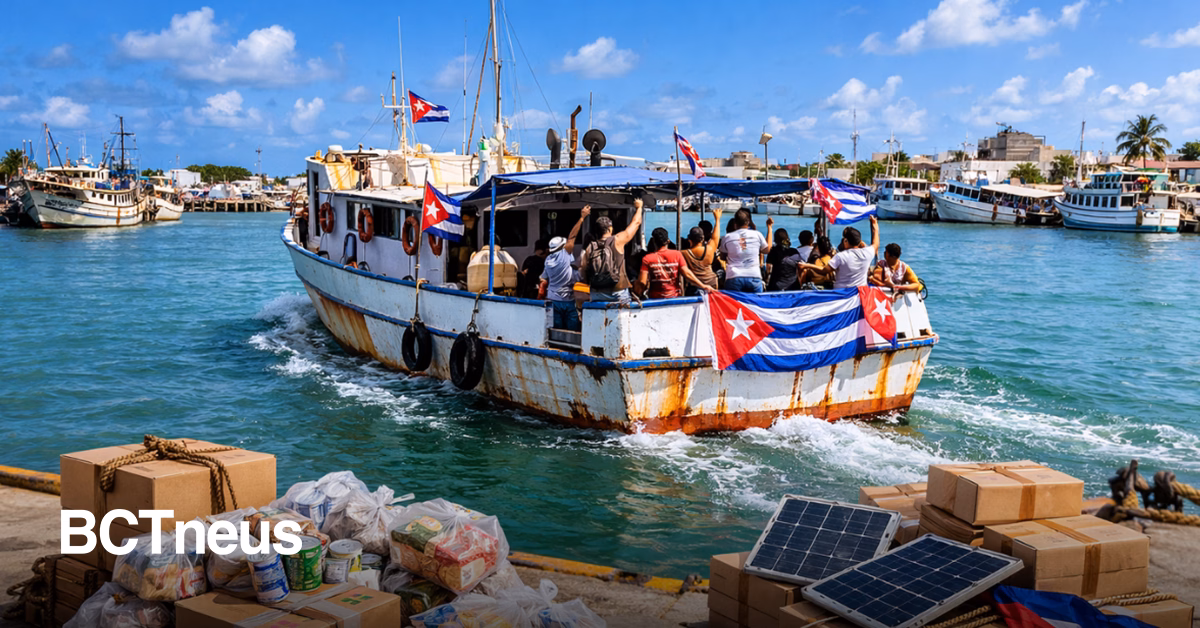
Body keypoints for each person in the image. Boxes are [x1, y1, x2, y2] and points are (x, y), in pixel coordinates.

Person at [581, 197, 644, 303]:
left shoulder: (590, 247)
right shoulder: (617, 240)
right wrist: (639, 208)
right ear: (610, 229)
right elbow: (636, 223)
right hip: (617, 291)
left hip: (596, 292)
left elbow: (583, 269)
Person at [538, 206, 591, 331]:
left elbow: (543, 278)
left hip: (552, 300)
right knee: (572, 330)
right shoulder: (564, 254)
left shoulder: (548, 260)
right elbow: (572, 236)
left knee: (556, 330)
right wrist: (582, 217)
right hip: (567, 300)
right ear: (563, 246)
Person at [798, 215, 878, 289]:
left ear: (846, 241)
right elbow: (875, 243)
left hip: (841, 293)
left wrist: (807, 265)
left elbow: (824, 270)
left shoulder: (841, 256)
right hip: (859, 292)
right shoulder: (868, 253)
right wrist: (874, 224)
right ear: (859, 241)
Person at [636, 228, 708, 299]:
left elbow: (642, 282)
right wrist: (703, 285)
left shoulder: (647, 259)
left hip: (655, 298)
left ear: (654, 242)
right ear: (668, 241)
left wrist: (638, 293)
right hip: (674, 297)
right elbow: (687, 273)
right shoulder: (677, 254)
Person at [719, 212, 773, 293]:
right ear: (748, 222)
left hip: (734, 277)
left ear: (735, 223)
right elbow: (767, 249)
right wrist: (769, 228)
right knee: (755, 304)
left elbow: (722, 257)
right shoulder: (757, 234)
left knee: (734, 305)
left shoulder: (727, 237)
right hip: (754, 276)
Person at [682, 207, 722, 295]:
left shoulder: (684, 253)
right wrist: (717, 219)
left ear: (689, 239)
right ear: (703, 238)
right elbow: (715, 237)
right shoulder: (710, 249)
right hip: (711, 283)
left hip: (694, 285)